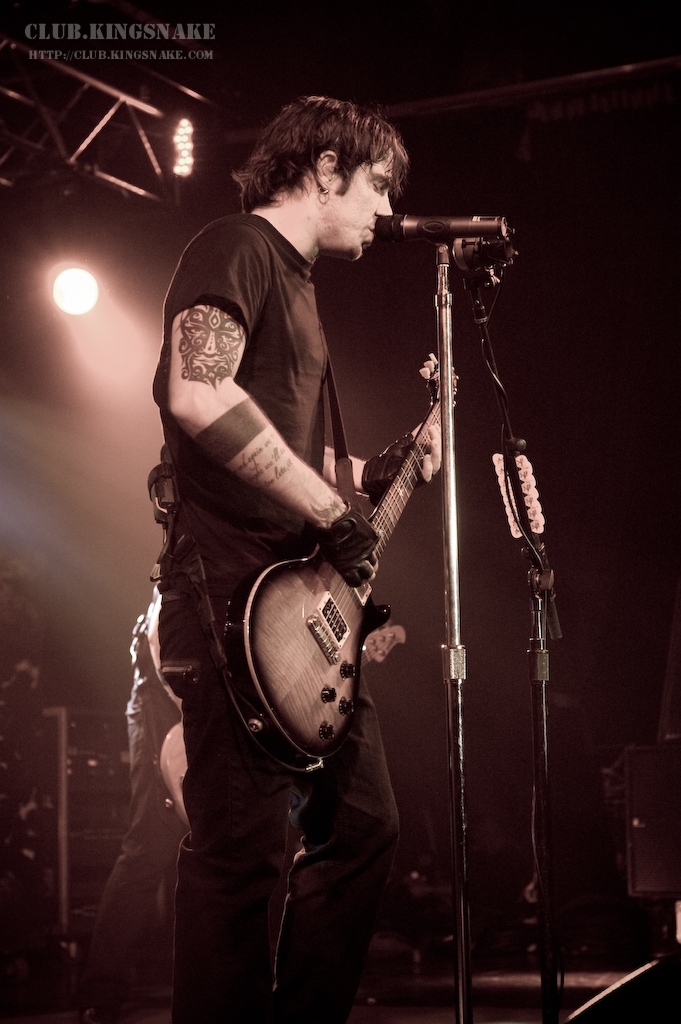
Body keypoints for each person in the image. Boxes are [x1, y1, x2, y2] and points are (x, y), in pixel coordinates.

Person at [151, 95, 441, 1024]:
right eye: (377, 184)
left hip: (299, 612)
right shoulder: (236, 246)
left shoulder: (299, 288)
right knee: (239, 861)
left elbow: (288, 451)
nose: (385, 209)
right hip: (233, 604)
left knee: (363, 829)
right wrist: (327, 507)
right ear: (323, 169)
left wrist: (377, 471)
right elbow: (198, 393)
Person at [78, 592, 187, 1024]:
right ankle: (102, 991)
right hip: (161, 703)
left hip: (192, 706)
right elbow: (161, 637)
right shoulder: (186, 562)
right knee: (150, 842)